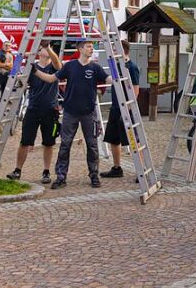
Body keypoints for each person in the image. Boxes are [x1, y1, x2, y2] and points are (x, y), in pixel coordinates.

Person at [33, 40, 111, 189]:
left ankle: (94, 175)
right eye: (88, 46)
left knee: (92, 145)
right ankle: (61, 177)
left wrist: (118, 71)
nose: (91, 49)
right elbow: (51, 79)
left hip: (89, 112)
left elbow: (109, 80)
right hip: (70, 112)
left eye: (91, 46)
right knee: (65, 145)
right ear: (80, 49)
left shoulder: (95, 68)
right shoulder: (70, 66)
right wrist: (35, 72)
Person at [7, 42, 62, 184]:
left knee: (49, 143)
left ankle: (46, 171)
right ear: (38, 53)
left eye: (48, 49)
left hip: (50, 110)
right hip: (33, 109)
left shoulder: (53, 67)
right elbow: (23, 83)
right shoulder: (32, 66)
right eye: (43, 48)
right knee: (25, 141)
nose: (46, 50)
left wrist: (48, 47)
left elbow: (58, 64)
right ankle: (17, 170)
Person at [100, 40, 141, 180]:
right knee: (113, 139)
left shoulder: (131, 67)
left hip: (126, 110)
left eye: (114, 49)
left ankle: (140, 171)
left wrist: (129, 109)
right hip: (115, 108)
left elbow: (135, 89)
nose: (112, 52)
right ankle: (117, 168)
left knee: (134, 140)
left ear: (122, 51)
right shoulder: (117, 65)